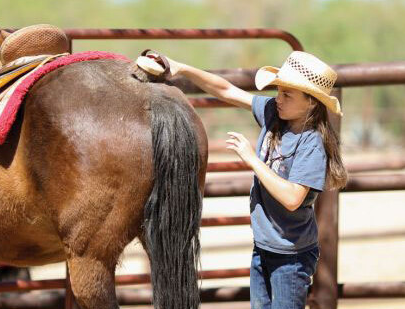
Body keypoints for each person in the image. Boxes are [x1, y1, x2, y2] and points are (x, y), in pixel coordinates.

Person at [144, 50, 348, 308]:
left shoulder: (311, 144)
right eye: (279, 91)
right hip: (264, 247)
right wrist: (183, 68)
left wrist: (252, 160)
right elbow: (227, 90)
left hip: (291, 256)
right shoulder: (275, 113)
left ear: (311, 103)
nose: (278, 99)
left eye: (287, 94)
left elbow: (293, 197)